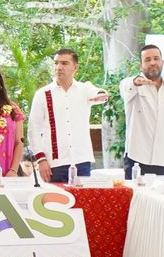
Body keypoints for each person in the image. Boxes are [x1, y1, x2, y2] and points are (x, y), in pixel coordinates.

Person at [27, 48, 109, 183]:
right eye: (56, 63)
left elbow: (99, 93)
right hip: (54, 164)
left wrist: (101, 95)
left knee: (83, 197)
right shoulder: (43, 94)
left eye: (64, 63)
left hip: (81, 161)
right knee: (54, 197)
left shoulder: (84, 89)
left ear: (75, 68)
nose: (59, 67)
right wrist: (41, 160)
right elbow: (33, 130)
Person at [119, 43, 164, 180]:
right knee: (135, 194)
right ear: (141, 65)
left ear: (162, 62)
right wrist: (136, 82)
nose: (152, 62)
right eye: (147, 60)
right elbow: (125, 85)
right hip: (137, 160)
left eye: (156, 58)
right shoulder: (131, 86)